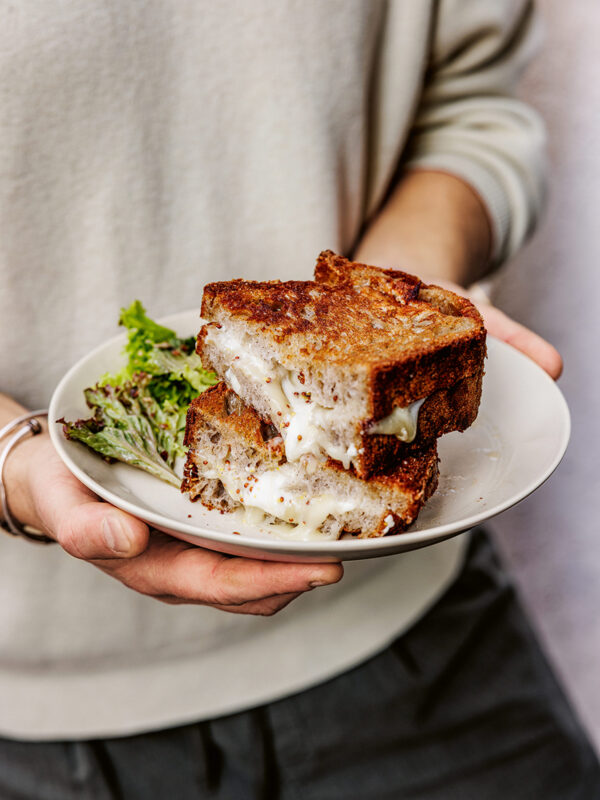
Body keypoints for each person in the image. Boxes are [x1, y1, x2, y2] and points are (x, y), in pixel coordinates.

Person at [0, 1, 598, 797]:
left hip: (430, 651)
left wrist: (401, 316)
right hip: (42, 736)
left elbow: (471, 106)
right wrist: (11, 457)